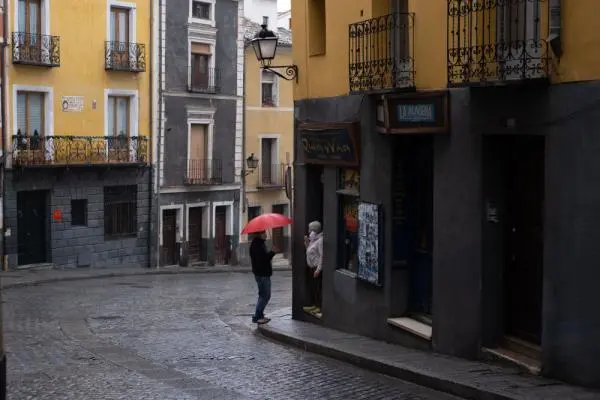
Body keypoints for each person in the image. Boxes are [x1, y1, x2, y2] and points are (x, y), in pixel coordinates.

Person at [250, 230, 277, 324]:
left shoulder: (259, 244)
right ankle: (257, 316)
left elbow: (263, 258)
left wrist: (271, 252)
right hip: (262, 274)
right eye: (264, 233)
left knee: (262, 295)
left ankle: (259, 315)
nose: (266, 234)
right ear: (259, 234)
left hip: (261, 273)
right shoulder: (257, 245)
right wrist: (272, 252)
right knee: (265, 295)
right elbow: (262, 260)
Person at [303, 221, 323, 315]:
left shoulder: (320, 241)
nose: (308, 231)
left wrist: (318, 269)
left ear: (315, 230)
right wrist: (307, 243)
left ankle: (319, 306)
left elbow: (322, 256)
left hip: (316, 268)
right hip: (310, 267)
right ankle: (314, 304)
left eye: (310, 229)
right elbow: (309, 252)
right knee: (313, 287)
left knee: (317, 287)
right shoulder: (313, 240)